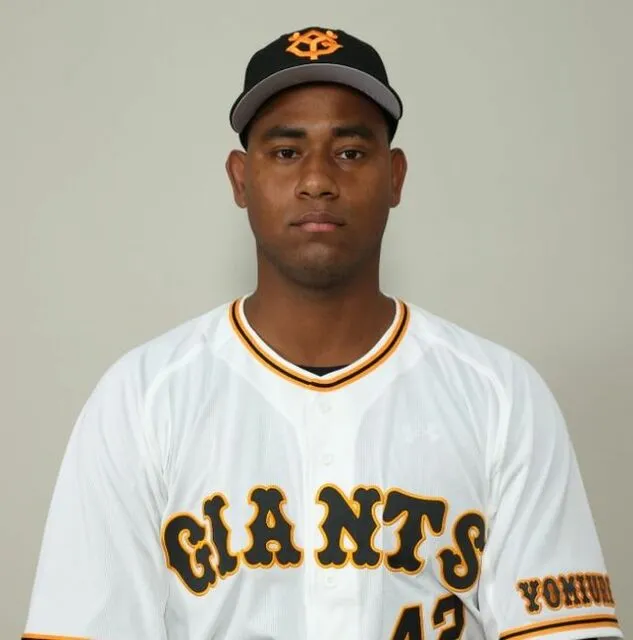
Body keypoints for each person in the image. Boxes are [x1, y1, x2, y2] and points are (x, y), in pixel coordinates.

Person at [23, 26, 622, 640]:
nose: (317, 180)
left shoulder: (502, 397)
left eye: (351, 152)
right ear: (240, 179)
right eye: (286, 151)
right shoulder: (140, 400)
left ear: (395, 176)